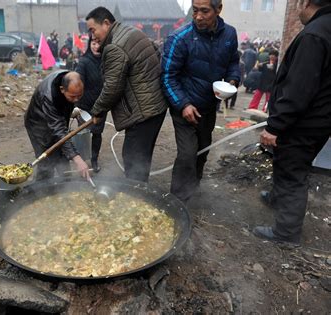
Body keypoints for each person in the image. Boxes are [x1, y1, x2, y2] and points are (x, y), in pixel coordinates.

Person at [254, 0, 331, 245]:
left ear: (305, 2)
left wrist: (275, 125)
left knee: (293, 172)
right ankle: (278, 198)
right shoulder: (326, 27)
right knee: (285, 161)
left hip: (303, 122)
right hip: (318, 120)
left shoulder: (314, 35)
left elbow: (299, 88)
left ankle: (286, 233)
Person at [161, 0, 240, 203]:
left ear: (218, 9)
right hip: (184, 106)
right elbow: (167, 76)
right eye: (195, 11)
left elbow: (233, 62)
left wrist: (232, 80)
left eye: (204, 11)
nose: (198, 17)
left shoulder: (229, 34)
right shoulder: (180, 38)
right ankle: (177, 202)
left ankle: (193, 188)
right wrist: (183, 104)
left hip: (209, 105)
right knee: (187, 154)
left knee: (203, 149)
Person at [86, 7, 168, 183]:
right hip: (156, 107)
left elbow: (112, 88)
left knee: (133, 161)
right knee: (141, 159)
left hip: (143, 112)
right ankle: (141, 190)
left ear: (106, 23)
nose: (92, 36)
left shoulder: (114, 46)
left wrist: (97, 112)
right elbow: (156, 51)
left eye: (93, 30)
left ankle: (138, 200)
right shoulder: (130, 31)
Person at [24, 71, 90, 180]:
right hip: (38, 125)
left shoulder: (69, 81)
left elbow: (61, 131)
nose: (76, 100)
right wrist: (78, 159)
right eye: (73, 97)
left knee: (63, 156)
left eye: (79, 95)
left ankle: (66, 184)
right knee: (46, 161)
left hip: (56, 121)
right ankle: (41, 189)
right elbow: (59, 130)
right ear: (62, 90)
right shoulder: (48, 95)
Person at [75, 37, 105, 172]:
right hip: (85, 106)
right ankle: (81, 161)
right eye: (93, 43)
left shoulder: (107, 61)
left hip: (102, 104)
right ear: (89, 44)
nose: (96, 46)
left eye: (99, 43)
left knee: (97, 133)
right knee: (83, 133)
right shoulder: (84, 61)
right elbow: (77, 82)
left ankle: (94, 160)